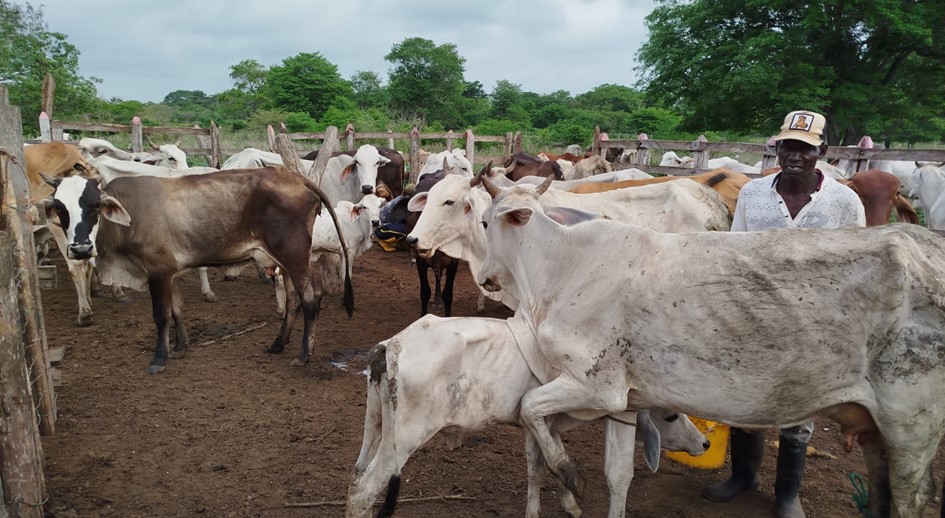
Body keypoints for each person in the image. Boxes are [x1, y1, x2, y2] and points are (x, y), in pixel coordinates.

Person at [703, 110, 865, 518]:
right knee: (747, 396)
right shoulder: (755, 194)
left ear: (822, 152)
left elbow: (859, 262)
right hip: (755, 314)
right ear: (778, 147)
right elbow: (735, 250)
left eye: (805, 149)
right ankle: (744, 476)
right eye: (788, 146)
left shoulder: (844, 202)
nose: (795, 155)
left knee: (798, 405)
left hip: (814, 321)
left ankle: (788, 494)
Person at [374, 183, 415, 252]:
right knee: (407, 230)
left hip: (388, 225)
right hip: (382, 229)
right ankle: (384, 242)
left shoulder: (402, 198)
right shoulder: (402, 202)